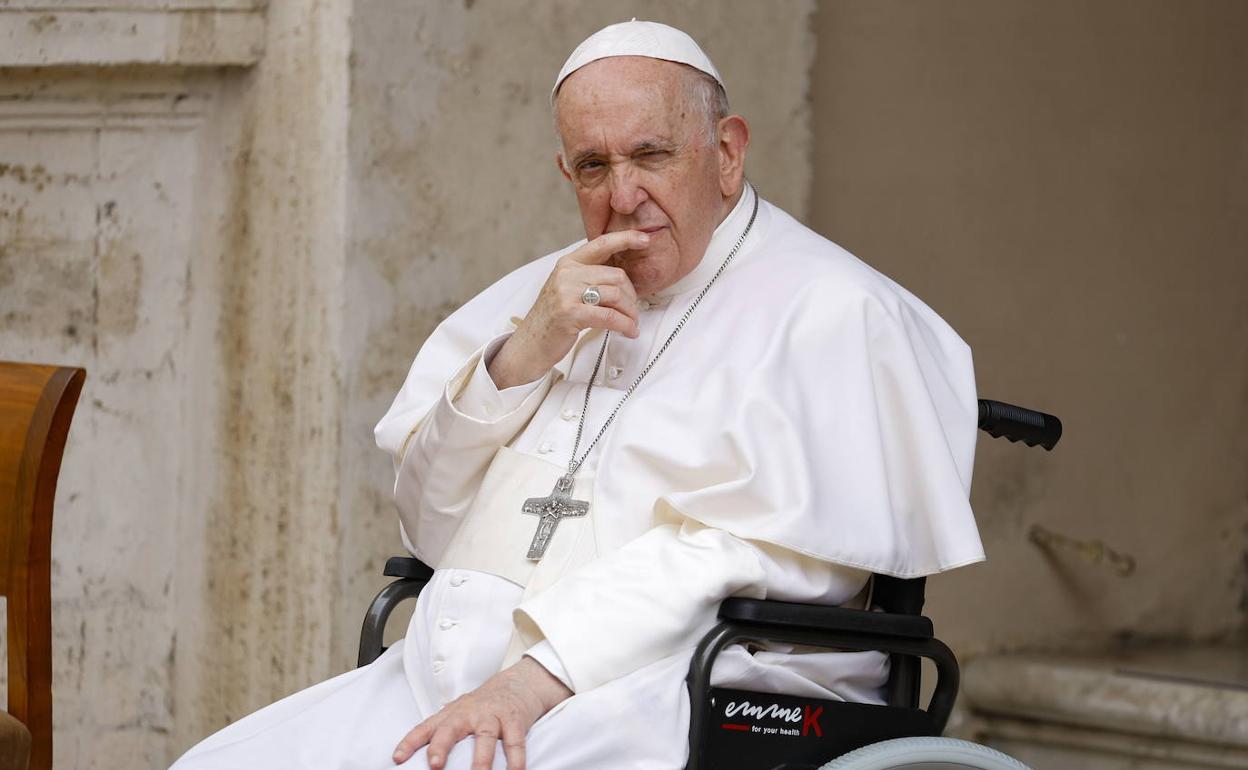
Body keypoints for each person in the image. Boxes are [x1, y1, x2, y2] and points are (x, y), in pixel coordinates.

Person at [171, 20, 982, 770]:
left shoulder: (838, 312)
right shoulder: (540, 294)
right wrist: (522, 357)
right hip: (446, 679)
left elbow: (747, 555)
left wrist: (532, 679)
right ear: (567, 171)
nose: (621, 194)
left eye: (652, 155)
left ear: (727, 152)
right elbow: (428, 523)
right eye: (594, 166)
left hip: (691, 687)